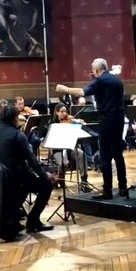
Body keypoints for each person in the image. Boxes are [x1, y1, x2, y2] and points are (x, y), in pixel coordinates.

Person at [56, 58, 128, 200]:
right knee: (118, 155)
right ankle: (123, 187)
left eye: (93, 70)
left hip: (106, 120)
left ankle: (107, 190)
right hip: (119, 119)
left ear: (96, 70)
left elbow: (82, 92)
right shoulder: (117, 80)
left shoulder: (101, 80)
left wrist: (65, 89)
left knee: (105, 155)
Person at [0, 106, 54, 232]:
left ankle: (14, 217)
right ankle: (33, 221)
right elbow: (31, 160)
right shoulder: (18, 135)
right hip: (15, 179)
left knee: (26, 182)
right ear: (14, 118)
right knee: (46, 185)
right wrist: (45, 175)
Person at [52, 104, 91, 193]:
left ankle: (84, 181)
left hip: (69, 148)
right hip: (58, 150)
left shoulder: (69, 121)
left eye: (65, 111)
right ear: (57, 112)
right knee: (63, 163)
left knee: (81, 154)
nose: (64, 113)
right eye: (62, 111)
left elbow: (82, 126)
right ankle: (60, 180)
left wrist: (77, 122)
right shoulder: (53, 123)